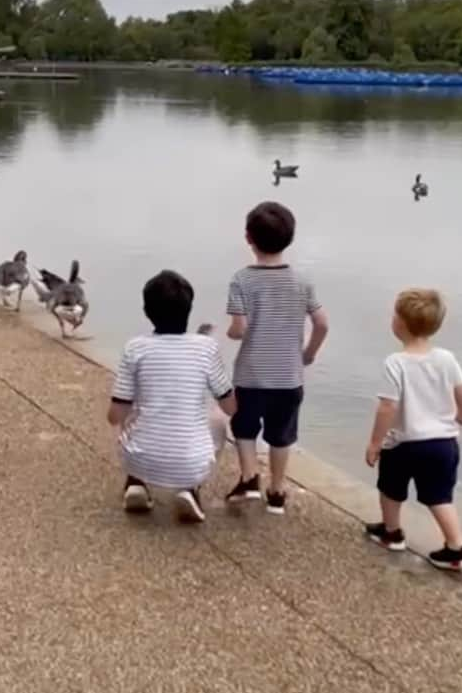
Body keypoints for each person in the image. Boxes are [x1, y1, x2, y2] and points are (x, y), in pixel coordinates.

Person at [108, 270, 236, 523]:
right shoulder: (206, 347)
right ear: (189, 309)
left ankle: (136, 481)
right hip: (192, 461)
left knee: (129, 410)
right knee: (218, 418)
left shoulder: (135, 347)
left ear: (146, 310)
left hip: (140, 457)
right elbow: (230, 407)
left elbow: (114, 415)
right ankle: (190, 487)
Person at [225, 201, 328, 511]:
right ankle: (277, 490)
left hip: (251, 374)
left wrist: (230, 333)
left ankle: (249, 477)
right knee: (281, 434)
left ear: (248, 238)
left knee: (243, 427)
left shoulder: (241, 280)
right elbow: (322, 323)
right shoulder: (302, 281)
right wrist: (308, 354)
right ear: (290, 237)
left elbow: (239, 328)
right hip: (289, 377)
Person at [364, 288, 462, 570]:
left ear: (399, 324)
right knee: (439, 496)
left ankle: (392, 532)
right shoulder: (446, 358)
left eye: (394, 315)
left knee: (391, 488)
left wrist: (375, 443)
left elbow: (387, 408)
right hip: (443, 443)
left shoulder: (395, 363)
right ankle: (457, 547)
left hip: (404, 443)